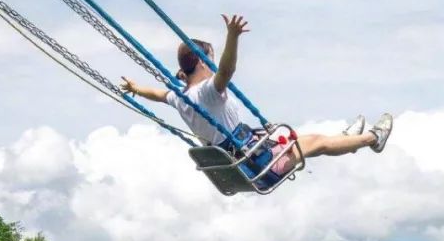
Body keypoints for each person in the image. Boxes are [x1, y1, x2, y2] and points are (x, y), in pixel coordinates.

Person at [120, 15, 392, 178]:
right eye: (210, 60)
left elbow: (157, 94)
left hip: (246, 158)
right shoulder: (208, 92)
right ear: (203, 63)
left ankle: (348, 141)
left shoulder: (181, 97)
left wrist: (136, 89)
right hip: (258, 164)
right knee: (316, 143)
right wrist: (233, 37)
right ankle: (372, 139)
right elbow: (227, 69)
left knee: (307, 140)